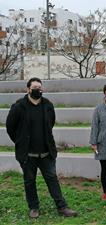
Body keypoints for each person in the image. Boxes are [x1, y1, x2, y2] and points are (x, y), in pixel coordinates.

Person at [6, 77, 77, 218]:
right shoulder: (18, 107)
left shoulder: (48, 105)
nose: (38, 90)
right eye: (35, 88)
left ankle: (62, 207)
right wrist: (21, 142)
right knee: (29, 182)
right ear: (28, 89)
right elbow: (10, 128)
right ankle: (33, 208)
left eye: (40, 87)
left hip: (46, 154)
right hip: (28, 155)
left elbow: (51, 123)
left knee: (52, 180)